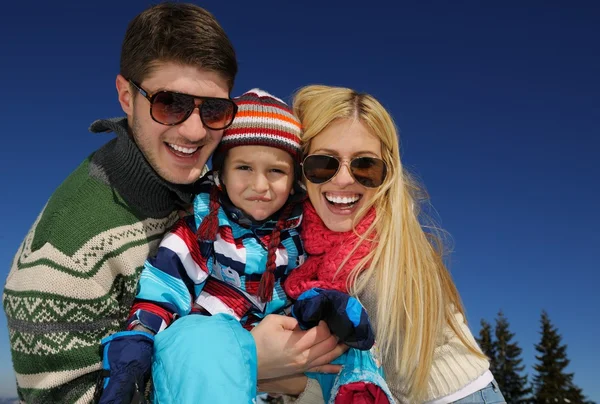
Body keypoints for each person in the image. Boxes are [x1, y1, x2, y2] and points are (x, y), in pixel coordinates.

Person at [1, 4, 343, 402]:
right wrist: (250, 363)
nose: (195, 130)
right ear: (126, 96)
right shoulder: (62, 257)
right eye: (170, 103)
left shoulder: (226, 194)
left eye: (213, 109)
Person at [267, 85, 506, 404]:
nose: (343, 180)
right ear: (302, 170)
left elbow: (339, 363)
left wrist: (254, 366)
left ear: (386, 174)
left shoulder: (387, 244)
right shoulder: (298, 243)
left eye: (364, 166)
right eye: (324, 163)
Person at [98, 89, 309, 403]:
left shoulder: (299, 235)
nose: (260, 185)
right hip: (212, 357)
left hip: (282, 363)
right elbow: (164, 289)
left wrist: (320, 306)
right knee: (201, 337)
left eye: (276, 171)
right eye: (244, 168)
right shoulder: (203, 229)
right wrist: (141, 335)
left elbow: (310, 283)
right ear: (221, 172)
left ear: (293, 180)